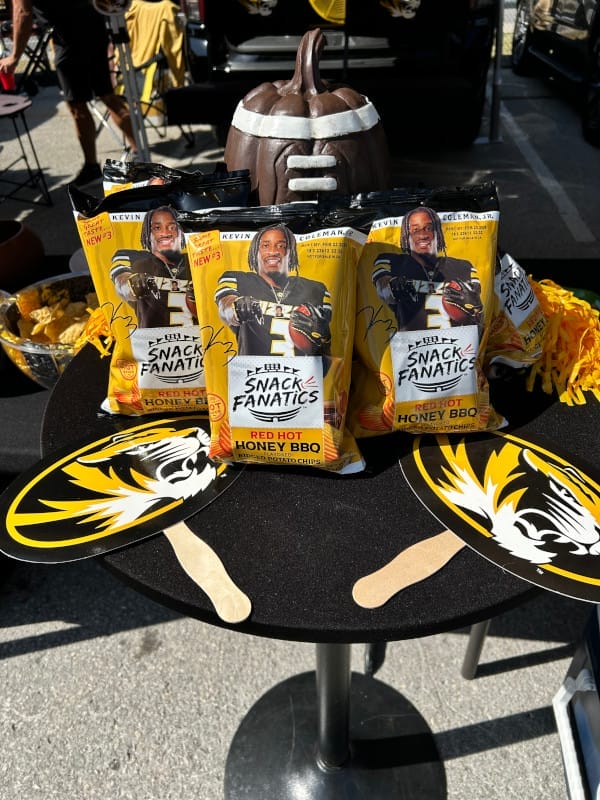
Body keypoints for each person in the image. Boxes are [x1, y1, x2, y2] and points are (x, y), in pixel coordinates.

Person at [0, 0, 138, 186]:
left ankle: (92, 167)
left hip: (69, 38)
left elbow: (23, 13)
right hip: (93, 26)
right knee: (107, 96)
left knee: (77, 105)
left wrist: (14, 56)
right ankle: (139, 154)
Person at [215, 223, 332, 357]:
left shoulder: (316, 289)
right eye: (265, 246)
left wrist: (324, 339)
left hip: (302, 370)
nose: (273, 252)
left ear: (290, 252)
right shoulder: (237, 280)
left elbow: (326, 357)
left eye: (281, 246)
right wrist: (236, 307)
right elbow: (225, 307)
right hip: (254, 369)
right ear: (255, 252)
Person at [372, 206, 483, 331]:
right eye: (415, 230)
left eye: (428, 228)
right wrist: (392, 287)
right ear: (406, 236)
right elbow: (382, 287)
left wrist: (472, 307)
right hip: (412, 342)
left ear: (438, 233)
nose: (422, 235)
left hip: (458, 341)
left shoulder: (463, 266)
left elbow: (478, 311)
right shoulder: (392, 261)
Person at [111, 206, 195, 328]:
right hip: (153, 338)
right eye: (157, 228)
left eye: (172, 227)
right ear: (147, 233)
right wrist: (132, 284)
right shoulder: (135, 259)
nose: (165, 233)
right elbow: (121, 282)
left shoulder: (195, 261)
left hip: (197, 337)